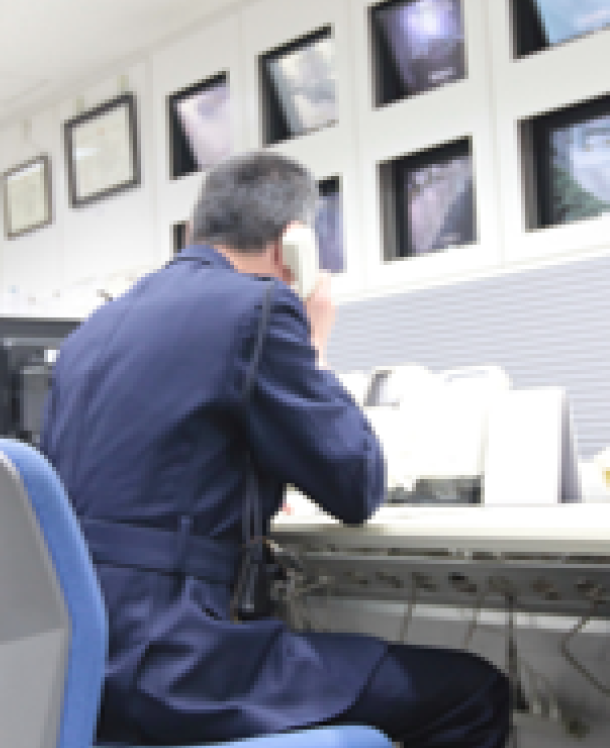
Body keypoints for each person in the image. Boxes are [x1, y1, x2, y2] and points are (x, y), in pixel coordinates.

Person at [39, 152, 510, 748]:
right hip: (178, 662)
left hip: (83, 661)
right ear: (294, 244)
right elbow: (356, 487)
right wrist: (314, 345)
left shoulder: (94, 329)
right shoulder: (257, 306)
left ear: (195, 230)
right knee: (473, 692)